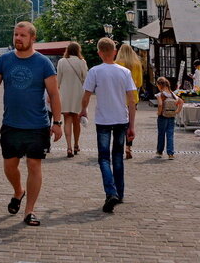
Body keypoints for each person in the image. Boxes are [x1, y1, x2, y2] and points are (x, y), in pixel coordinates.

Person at [0, 21, 62, 228]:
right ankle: (18, 191)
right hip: (11, 123)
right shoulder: (4, 60)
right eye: (15, 35)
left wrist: (57, 122)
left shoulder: (43, 63)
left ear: (33, 38)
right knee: (10, 165)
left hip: (37, 124)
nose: (18, 39)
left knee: (34, 165)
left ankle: (29, 210)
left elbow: (54, 94)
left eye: (22, 35)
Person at [79, 38, 137, 213]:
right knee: (118, 156)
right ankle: (119, 193)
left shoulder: (95, 71)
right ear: (114, 51)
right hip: (121, 118)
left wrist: (83, 110)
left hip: (103, 119)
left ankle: (110, 191)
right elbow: (132, 100)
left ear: (99, 53)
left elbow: (86, 95)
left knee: (104, 158)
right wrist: (132, 125)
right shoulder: (125, 72)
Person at [56, 42, 88, 158]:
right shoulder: (82, 62)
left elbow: (58, 80)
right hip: (78, 95)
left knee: (67, 120)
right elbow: (86, 79)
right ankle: (76, 144)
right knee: (76, 121)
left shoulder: (62, 62)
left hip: (65, 95)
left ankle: (68, 146)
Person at [116, 43, 143, 160]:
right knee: (130, 123)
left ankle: (120, 146)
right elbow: (139, 82)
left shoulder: (117, 64)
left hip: (119, 97)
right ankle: (129, 147)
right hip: (133, 97)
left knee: (120, 123)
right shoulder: (136, 64)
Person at [154, 76, 183, 159]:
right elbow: (181, 102)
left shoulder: (160, 94)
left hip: (163, 116)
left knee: (161, 134)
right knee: (170, 134)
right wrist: (177, 111)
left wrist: (159, 113)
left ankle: (159, 152)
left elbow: (160, 104)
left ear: (160, 85)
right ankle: (170, 153)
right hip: (171, 116)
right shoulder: (172, 94)